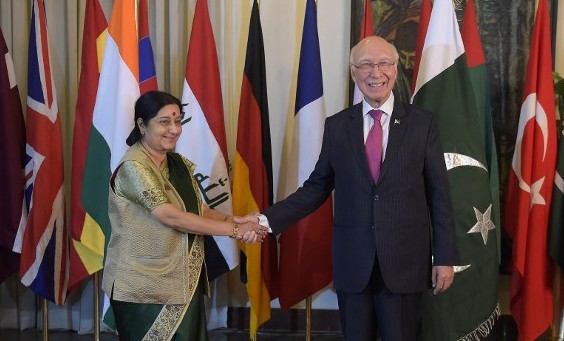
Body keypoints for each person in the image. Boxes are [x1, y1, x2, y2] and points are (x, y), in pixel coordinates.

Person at [238, 36, 459, 341]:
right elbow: (315, 189)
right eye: (365, 65)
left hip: (405, 262)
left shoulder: (423, 124)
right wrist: (264, 220)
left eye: (383, 63)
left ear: (395, 70)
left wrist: (444, 257)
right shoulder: (338, 126)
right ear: (354, 73)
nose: (375, 72)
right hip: (353, 263)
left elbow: (439, 196)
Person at [102, 91, 267, 341]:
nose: (174, 129)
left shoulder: (176, 163)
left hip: (183, 280)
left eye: (177, 120)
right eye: (164, 122)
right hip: (143, 285)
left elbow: (196, 210)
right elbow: (172, 217)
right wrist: (235, 233)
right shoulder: (134, 167)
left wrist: (236, 220)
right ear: (141, 125)